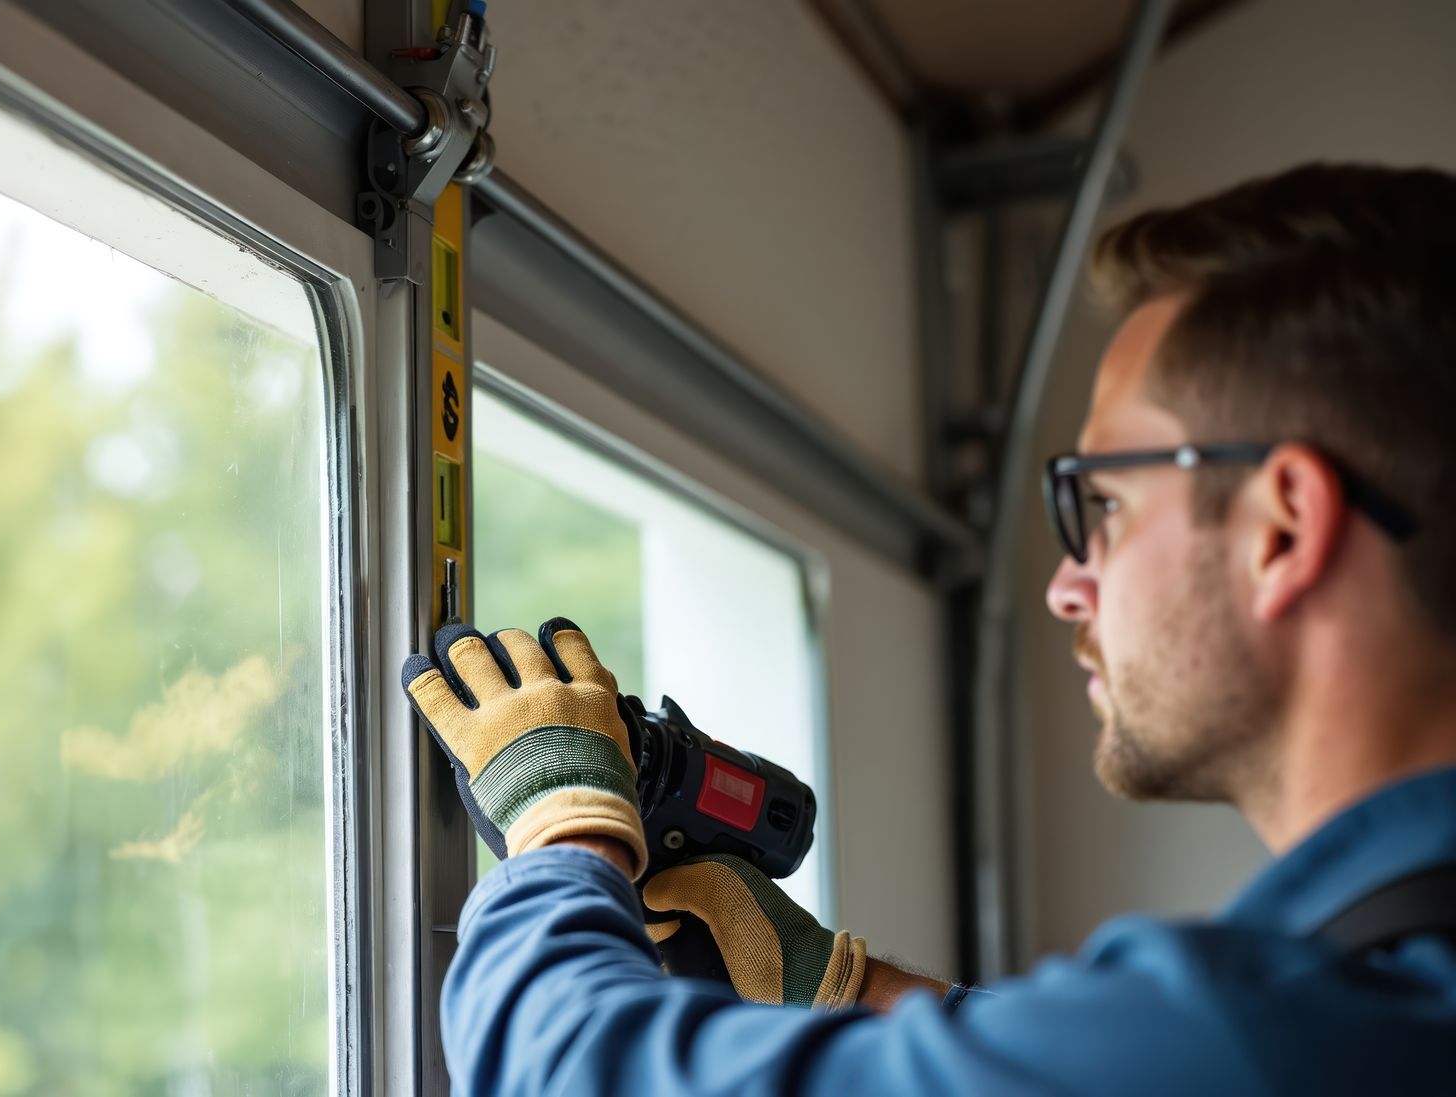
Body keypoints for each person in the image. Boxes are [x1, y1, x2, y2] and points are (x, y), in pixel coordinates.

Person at [401, 162, 1456, 1095]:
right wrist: (843, 988)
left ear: (1283, 528)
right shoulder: (1373, 998)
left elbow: (569, 1070)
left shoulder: (1274, 1032)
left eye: (1104, 505)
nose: (1067, 587)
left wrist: (565, 835)